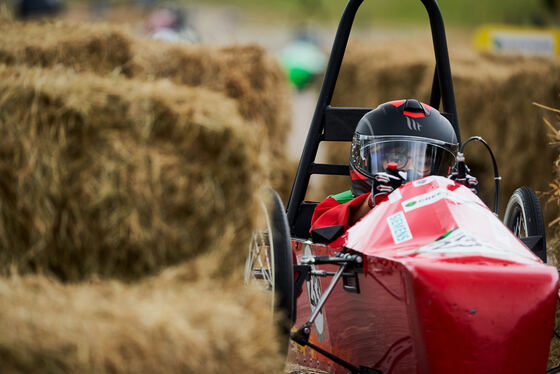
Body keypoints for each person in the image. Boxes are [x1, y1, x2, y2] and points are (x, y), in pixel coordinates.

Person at [309, 99, 478, 244]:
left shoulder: (442, 209)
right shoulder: (338, 204)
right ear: (365, 159)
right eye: (398, 159)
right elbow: (321, 233)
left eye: (422, 162)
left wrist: (466, 207)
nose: (411, 169)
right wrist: (371, 206)